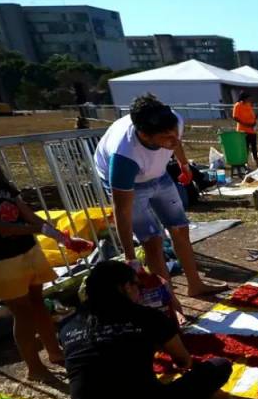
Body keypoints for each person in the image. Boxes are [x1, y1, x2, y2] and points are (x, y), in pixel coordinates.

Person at [60, 261, 232, 399]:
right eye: (138, 286)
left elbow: (97, 358)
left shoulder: (67, 325)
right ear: (126, 287)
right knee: (219, 366)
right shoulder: (147, 317)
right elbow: (183, 361)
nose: (140, 292)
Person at [93, 94, 227, 297]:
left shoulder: (172, 120)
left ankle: (195, 284)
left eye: (175, 133)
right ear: (145, 136)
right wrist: (130, 258)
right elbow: (122, 211)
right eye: (167, 137)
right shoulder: (124, 157)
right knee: (152, 241)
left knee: (180, 228)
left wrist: (184, 164)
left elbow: (176, 141)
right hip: (132, 183)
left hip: (158, 174)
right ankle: (169, 299)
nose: (175, 140)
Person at [0, 130, 92, 379]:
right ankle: (34, 368)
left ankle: (55, 352)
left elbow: (28, 215)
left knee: (39, 303)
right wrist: (37, 229)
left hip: (28, 251)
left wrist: (64, 239)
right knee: (22, 314)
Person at [231, 91, 258, 165]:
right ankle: (245, 162)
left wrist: (254, 122)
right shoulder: (237, 105)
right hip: (243, 131)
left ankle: (256, 160)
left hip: (252, 130)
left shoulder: (248, 104)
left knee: (254, 146)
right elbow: (235, 117)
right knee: (245, 147)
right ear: (244, 98)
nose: (250, 99)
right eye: (248, 98)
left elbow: (252, 114)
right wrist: (245, 124)